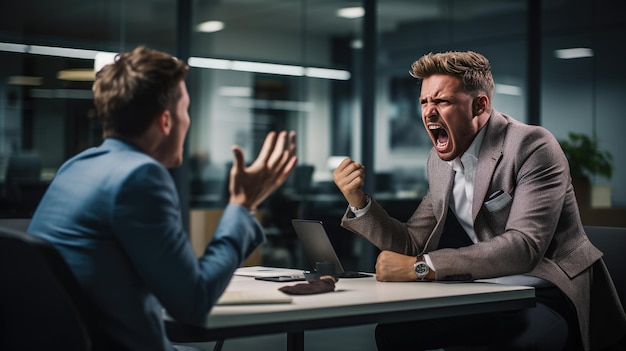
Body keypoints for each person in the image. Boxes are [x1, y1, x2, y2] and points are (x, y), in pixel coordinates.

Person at [333, 51, 626, 351]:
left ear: (479, 105)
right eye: (424, 102)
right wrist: (359, 202)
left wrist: (421, 268)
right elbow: (412, 243)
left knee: (516, 343)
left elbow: (524, 246)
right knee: (393, 333)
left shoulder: (532, 146)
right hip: (489, 290)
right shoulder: (438, 161)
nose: (429, 112)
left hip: (547, 292)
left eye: (442, 101)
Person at [27, 46, 297, 351]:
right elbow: (193, 303)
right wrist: (242, 204)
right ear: (166, 121)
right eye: (186, 109)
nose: (188, 120)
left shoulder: (75, 167)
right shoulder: (139, 176)